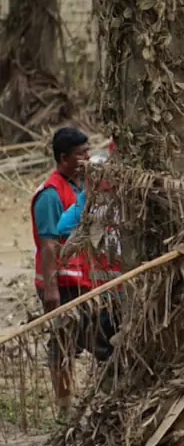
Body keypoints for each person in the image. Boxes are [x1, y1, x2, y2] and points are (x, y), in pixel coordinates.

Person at [32, 127, 117, 418]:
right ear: (64, 158)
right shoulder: (50, 195)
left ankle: (106, 398)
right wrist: (51, 290)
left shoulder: (82, 185)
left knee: (101, 336)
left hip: (84, 280)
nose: (87, 158)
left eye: (88, 151)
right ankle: (65, 410)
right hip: (62, 284)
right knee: (63, 344)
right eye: (81, 154)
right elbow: (48, 244)